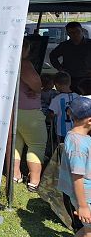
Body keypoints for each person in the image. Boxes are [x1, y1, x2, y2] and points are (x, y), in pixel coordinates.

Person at [14, 39, 47, 192]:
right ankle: (34, 181)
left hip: (14, 109)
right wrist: (38, 88)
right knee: (36, 145)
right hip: (29, 111)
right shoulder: (24, 64)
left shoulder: (8, 60)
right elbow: (36, 84)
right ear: (25, 49)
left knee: (16, 145)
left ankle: (15, 175)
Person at [57, 96, 91, 236]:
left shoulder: (80, 137)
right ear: (89, 121)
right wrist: (82, 206)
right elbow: (77, 177)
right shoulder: (78, 145)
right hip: (84, 194)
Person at [50, 22, 91, 92]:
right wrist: (60, 68)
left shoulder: (89, 44)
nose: (75, 34)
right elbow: (52, 55)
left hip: (88, 78)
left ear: (82, 31)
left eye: (77, 31)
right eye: (71, 32)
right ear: (68, 34)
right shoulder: (65, 45)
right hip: (70, 79)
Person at [49, 71, 80, 144]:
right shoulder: (78, 97)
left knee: (63, 149)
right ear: (69, 83)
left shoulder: (57, 99)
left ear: (56, 84)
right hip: (77, 130)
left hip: (63, 131)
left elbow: (51, 114)